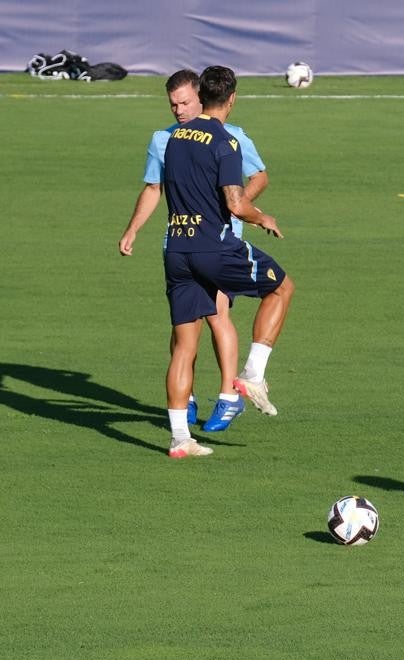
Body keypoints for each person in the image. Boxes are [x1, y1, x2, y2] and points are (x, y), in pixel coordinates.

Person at [118, 69, 270, 432]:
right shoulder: (163, 140)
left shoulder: (230, 136)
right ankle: (183, 399)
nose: (179, 110)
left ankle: (227, 397)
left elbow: (259, 175)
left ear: (202, 98)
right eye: (173, 104)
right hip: (178, 242)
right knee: (184, 328)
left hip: (218, 242)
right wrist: (132, 229)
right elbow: (153, 187)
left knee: (218, 316)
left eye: (185, 102)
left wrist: (237, 208)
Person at [155, 65, 295, 458]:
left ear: (201, 96)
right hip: (213, 248)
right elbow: (234, 203)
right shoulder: (225, 142)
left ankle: (181, 439)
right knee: (282, 287)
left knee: (184, 345)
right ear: (231, 99)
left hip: (176, 249)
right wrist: (261, 216)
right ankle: (251, 375)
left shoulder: (173, 137)